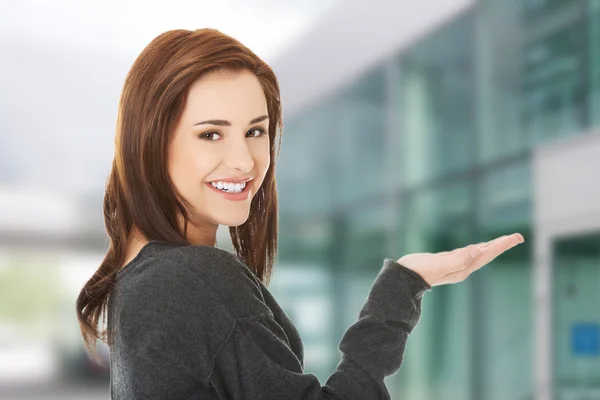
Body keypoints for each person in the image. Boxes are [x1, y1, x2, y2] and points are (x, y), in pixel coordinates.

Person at [75, 28, 525, 399]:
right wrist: (401, 287)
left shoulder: (136, 278)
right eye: (211, 134)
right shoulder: (194, 279)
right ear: (150, 142)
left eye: (255, 131)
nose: (245, 161)